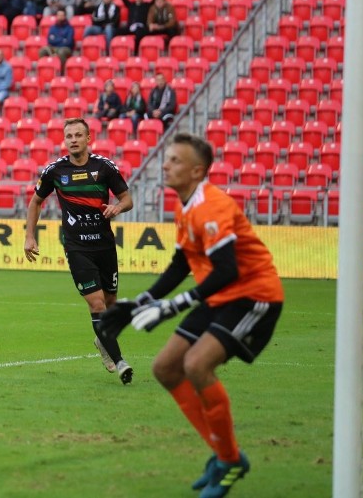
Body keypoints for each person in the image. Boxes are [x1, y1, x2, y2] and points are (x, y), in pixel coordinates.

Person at [100, 133, 284, 497]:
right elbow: (181, 262)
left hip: (252, 296)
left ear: (197, 171)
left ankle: (229, 461)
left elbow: (227, 269)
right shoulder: (184, 205)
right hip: (219, 297)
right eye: (167, 159)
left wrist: (171, 306)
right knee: (165, 368)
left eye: (175, 161)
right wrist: (142, 301)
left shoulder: (212, 206)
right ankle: (225, 455)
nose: (166, 165)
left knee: (197, 366)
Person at [24, 118, 134, 385]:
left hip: (105, 246)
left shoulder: (104, 167)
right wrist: (29, 235)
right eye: (68, 135)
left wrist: (117, 208)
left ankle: (102, 338)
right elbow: (36, 201)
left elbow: (127, 198)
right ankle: (119, 361)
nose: (72, 139)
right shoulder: (54, 171)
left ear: (88, 139)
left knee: (111, 303)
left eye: (77, 135)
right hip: (77, 247)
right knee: (96, 304)